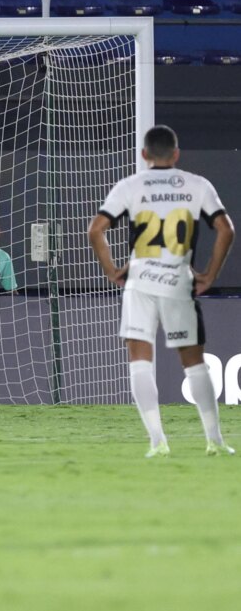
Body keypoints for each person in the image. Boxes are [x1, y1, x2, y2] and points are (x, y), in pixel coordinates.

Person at [88, 125, 234, 458]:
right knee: (194, 363)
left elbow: (96, 229)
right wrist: (210, 274)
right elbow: (226, 229)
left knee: (140, 361)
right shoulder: (197, 185)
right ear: (176, 154)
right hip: (178, 281)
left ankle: (157, 441)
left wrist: (112, 270)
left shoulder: (130, 186)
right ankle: (214, 440)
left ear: (144, 155)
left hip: (140, 281)